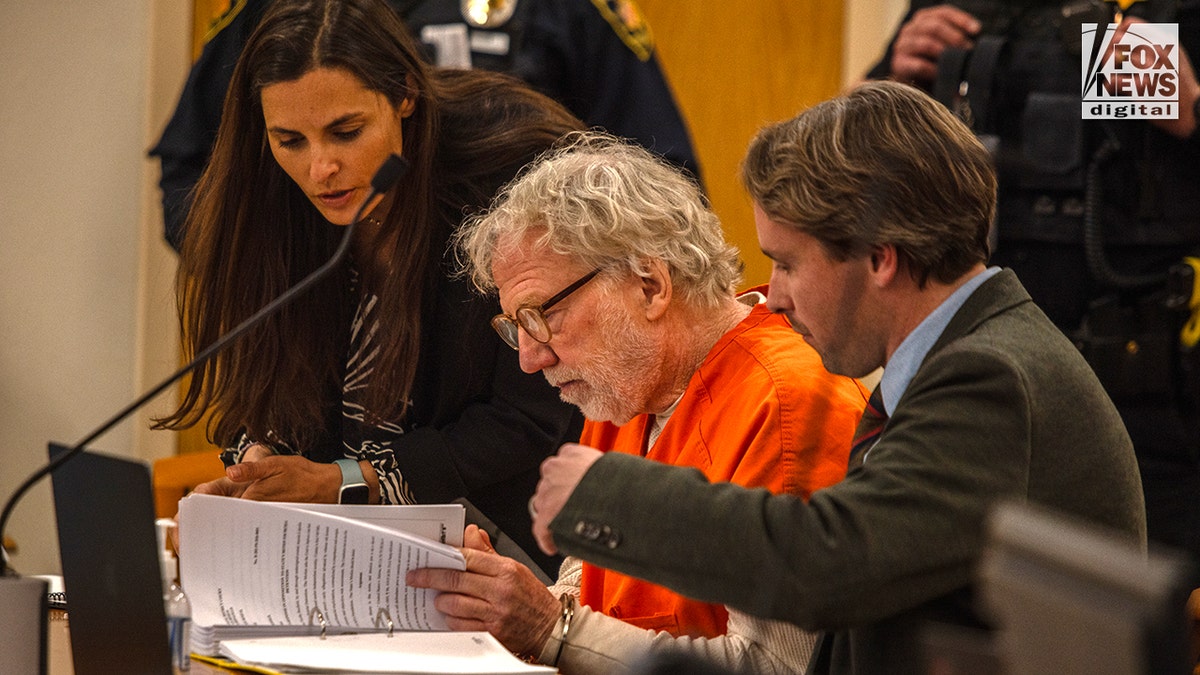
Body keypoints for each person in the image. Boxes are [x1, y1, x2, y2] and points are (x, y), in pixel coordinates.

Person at [524, 81, 1147, 675]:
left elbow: (832, 563)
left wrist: (608, 497)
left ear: (879, 258)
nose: (775, 299)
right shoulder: (967, 355)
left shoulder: (990, 374)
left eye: (788, 264)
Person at [406, 132, 869, 673]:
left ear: (649, 285)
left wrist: (551, 629)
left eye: (541, 316)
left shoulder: (790, 404)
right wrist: (508, 606)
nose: (530, 359)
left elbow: (775, 667)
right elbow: (590, 597)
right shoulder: (625, 391)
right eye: (515, 327)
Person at [152, 0, 585, 577]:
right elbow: (266, 377)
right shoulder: (264, 192)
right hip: (344, 556)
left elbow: (529, 419)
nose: (320, 169)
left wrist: (346, 481)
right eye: (291, 140)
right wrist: (256, 465)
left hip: (517, 541)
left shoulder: (509, 175)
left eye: (346, 131)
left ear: (405, 94)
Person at [866, 0, 1200, 563]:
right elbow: (846, 156)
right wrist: (891, 84)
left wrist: (1192, 107)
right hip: (972, 377)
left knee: (1131, 621)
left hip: (1148, 397)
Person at [150, 0, 700, 250]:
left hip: (514, 330)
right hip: (321, 307)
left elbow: (661, 181)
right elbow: (191, 170)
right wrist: (280, 258)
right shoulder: (271, 8)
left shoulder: (570, 8)